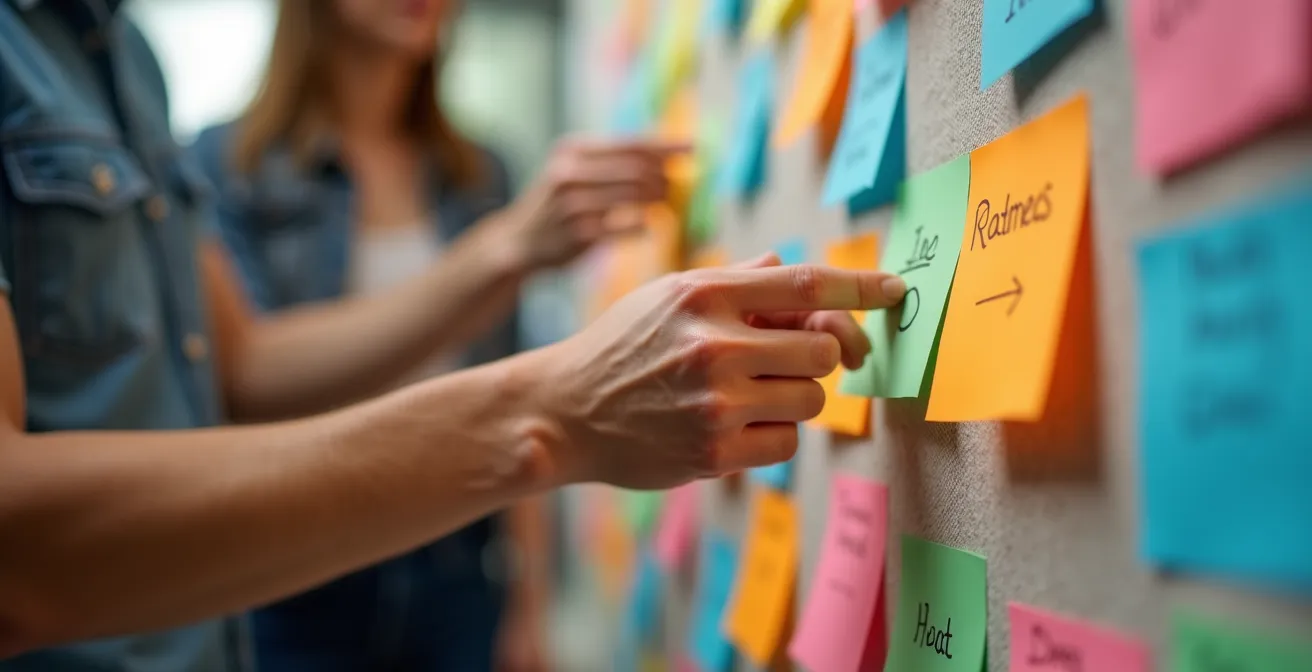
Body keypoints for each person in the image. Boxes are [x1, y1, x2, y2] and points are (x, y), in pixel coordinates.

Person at [0, 1, 908, 671]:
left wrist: (527, 589)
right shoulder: (216, 150)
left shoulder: (119, 58)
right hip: (274, 588)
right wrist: (546, 411)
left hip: (428, 577)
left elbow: (245, 368)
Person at [190, 0, 555, 668]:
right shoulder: (224, 161)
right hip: (294, 570)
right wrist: (490, 257)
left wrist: (530, 603)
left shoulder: (479, 174)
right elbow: (249, 380)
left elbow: (520, 393)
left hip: (459, 564)